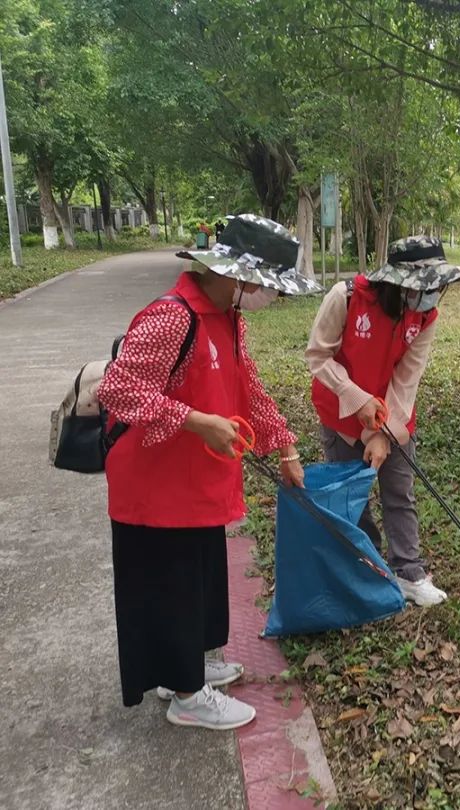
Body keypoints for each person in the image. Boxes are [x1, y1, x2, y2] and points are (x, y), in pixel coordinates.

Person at [98, 214, 321, 729]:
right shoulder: (172, 317)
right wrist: (195, 421)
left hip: (196, 481)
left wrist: (284, 445)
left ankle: (188, 667)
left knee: (197, 580)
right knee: (170, 584)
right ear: (233, 275)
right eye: (265, 283)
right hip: (156, 485)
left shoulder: (227, 318)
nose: (269, 295)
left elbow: (251, 390)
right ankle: (186, 696)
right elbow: (119, 389)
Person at [306, 236, 460, 607]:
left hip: (393, 419)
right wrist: (357, 399)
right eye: (424, 286)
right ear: (397, 281)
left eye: (437, 287)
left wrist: (384, 434)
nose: (431, 295)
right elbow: (318, 356)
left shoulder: (426, 316)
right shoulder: (346, 297)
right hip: (341, 417)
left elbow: (407, 379)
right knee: (354, 496)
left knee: (399, 492)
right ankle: (368, 570)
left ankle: (409, 572)